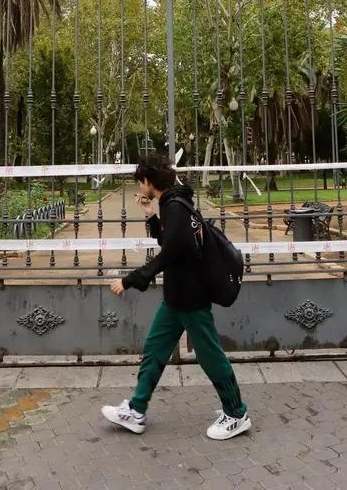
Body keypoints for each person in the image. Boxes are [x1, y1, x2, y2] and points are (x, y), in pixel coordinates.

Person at [101, 153, 251, 440]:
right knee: (154, 348)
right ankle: (136, 409)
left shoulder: (176, 207)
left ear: (147, 182)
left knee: (210, 356)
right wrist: (150, 216)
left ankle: (236, 413)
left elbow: (171, 252)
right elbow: (171, 240)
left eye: (139, 182)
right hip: (176, 298)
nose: (139, 187)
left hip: (191, 298)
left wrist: (131, 280)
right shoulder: (172, 204)